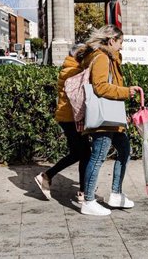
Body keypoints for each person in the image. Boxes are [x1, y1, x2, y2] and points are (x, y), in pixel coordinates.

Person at [74, 25, 140, 216]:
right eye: (121, 43)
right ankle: (88, 201)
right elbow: (101, 87)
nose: (122, 47)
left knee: (124, 149)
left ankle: (116, 194)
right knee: (98, 156)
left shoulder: (108, 57)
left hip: (110, 117)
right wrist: (127, 92)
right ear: (112, 41)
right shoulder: (102, 57)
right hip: (103, 117)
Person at [34, 44, 91, 203]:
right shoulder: (74, 70)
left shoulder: (69, 67)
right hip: (71, 118)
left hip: (68, 118)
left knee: (79, 153)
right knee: (84, 153)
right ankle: (82, 192)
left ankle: (49, 177)